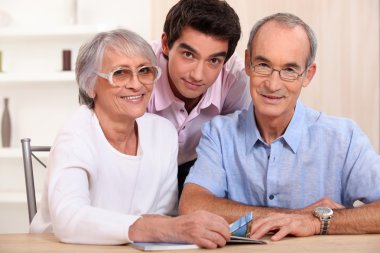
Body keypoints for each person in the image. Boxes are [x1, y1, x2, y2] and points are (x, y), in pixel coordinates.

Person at [179, 13, 380, 241]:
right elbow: (192, 205)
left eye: (289, 70)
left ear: (308, 75)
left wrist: (316, 223)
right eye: (263, 65)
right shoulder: (219, 133)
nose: (273, 84)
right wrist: (296, 216)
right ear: (247, 64)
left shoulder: (344, 138)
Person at [30, 29, 230, 248]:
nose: (136, 84)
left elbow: (163, 216)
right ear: (90, 85)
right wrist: (154, 228)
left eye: (144, 71)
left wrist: (162, 229)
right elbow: (69, 219)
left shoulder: (163, 132)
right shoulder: (76, 133)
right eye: (120, 73)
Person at [147, 0, 251, 196]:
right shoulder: (141, 68)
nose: (197, 75)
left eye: (213, 60)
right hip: (146, 164)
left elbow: (235, 147)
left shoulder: (236, 77)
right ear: (165, 45)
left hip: (201, 164)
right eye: (188, 54)